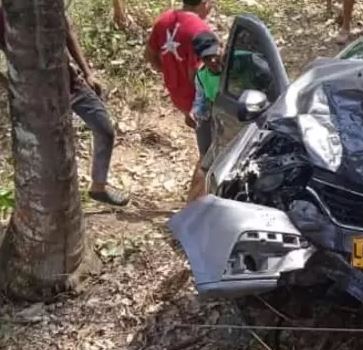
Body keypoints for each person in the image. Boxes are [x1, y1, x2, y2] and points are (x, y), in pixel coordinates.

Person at [0, 8, 129, 206]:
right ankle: (47, 203)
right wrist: (11, 86)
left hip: (70, 82)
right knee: (48, 151)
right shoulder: (5, 12)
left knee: (105, 130)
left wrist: (87, 72)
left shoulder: (44, 4)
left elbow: (68, 31)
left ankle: (98, 187)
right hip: (36, 95)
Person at [145, 0, 212, 156]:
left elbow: (148, 56)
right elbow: (195, 75)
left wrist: (169, 71)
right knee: (209, 153)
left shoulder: (163, 20)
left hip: (177, 96)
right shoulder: (200, 31)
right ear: (204, 3)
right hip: (196, 103)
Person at [187, 31, 222, 202]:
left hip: (232, 116)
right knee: (206, 160)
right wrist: (193, 112)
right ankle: (196, 203)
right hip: (213, 116)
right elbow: (200, 99)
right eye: (207, 59)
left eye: (215, 55)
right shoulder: (202, 76)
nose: (213, 61)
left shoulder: (236, 64)